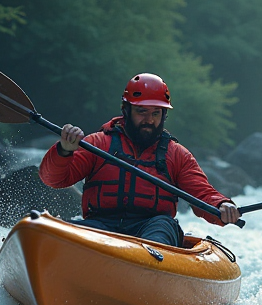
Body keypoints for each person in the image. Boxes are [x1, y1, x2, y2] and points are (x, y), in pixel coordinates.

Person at [39, 72, 240, 246]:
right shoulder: (98, 143)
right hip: (101, 225)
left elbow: (202, 194)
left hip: (152, 229)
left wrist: (221, 205)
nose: (149, 120)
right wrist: (64, 151)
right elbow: (53, 179)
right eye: (142, 112)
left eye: (156, 113)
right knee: (62, 234)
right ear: (126, 111)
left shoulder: (177, 155)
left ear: (163, 116)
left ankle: (150, 270)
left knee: (163, 226)